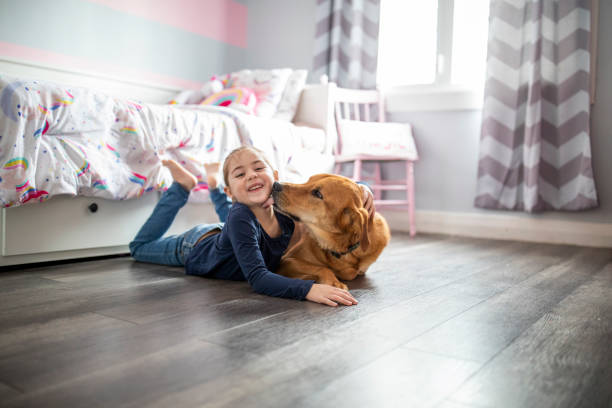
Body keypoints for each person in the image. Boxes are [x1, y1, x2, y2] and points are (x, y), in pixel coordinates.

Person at [129, 146, 373, 307]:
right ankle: (182, 187)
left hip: (231, 230)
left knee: (242, 221)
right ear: (231, 192)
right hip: (194, 246)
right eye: (240, 174)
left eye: (258, 168)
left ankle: (214, 186)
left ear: (275, 175)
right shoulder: (240, 217)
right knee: (139, 248)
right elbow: (257, 278)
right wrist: (308, 290)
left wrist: (362, 187)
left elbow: (327, 190)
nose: (252, 176)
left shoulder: (286, 209)